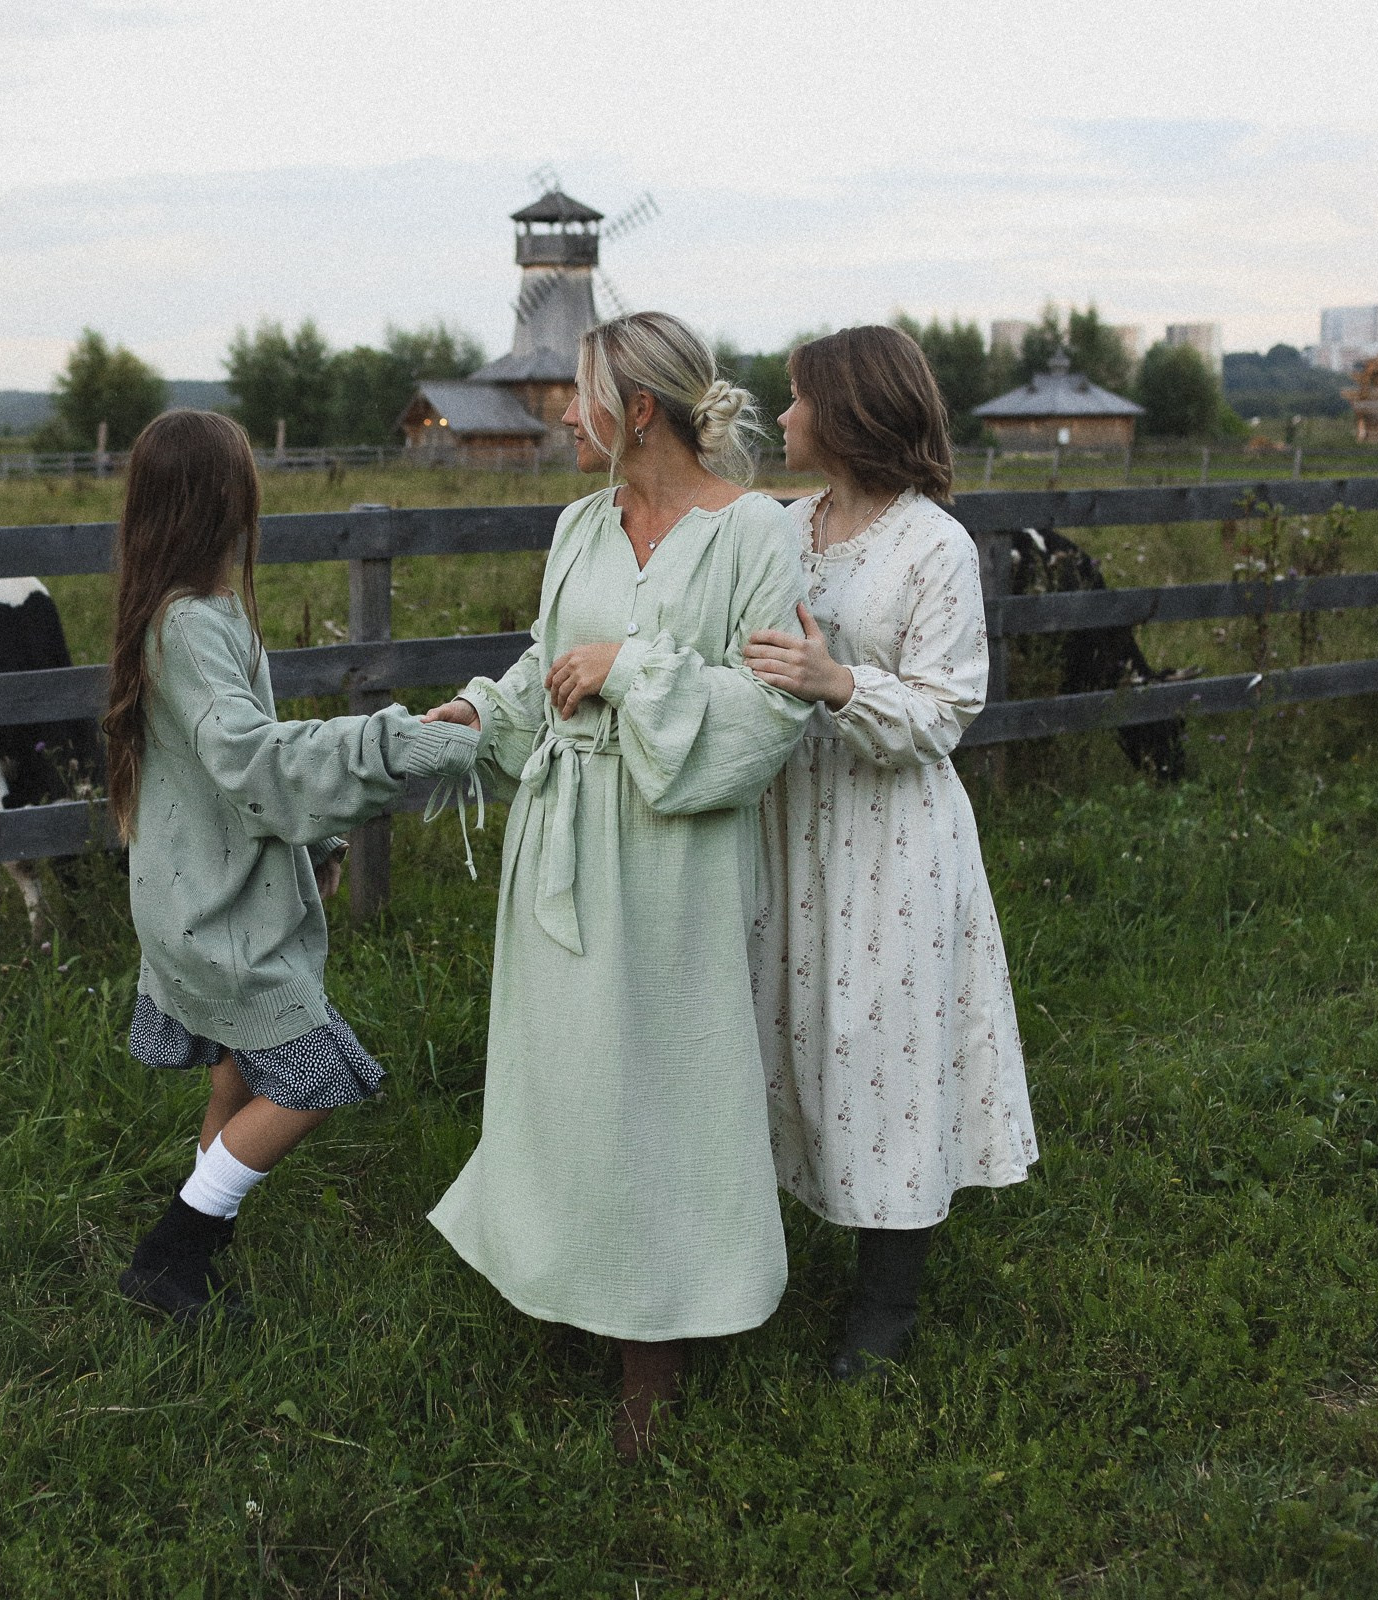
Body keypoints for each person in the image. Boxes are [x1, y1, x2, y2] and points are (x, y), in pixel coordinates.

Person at [420, 312, 814, 1456]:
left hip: (674, 855)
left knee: (662, 1084)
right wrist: (479, 711)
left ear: (636, 410)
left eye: (580, 391)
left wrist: (632, 669)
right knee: (571, 1080)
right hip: (567, 833)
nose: (563, 411)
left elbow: (774, 707)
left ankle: (657, 1344)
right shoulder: (578, 526)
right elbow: (548, 661)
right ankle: (571, 1280)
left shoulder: (752, 535)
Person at [107, 409, 485, 1321]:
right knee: (314, 1081)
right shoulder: (191, 626)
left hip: (208, 893)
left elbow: (236, 773)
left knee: (241, 1074)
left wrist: (317, 844)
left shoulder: (204, 612)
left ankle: (200, 1254)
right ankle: (172, 1253)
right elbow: (255, 762)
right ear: (222, 501)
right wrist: (393, 745)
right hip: (214, 913)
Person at [741, 326, 1040, 1379]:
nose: (781, 419)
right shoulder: (779, 528)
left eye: (795, 399)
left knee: (884, 1045)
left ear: (851, 412)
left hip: (892, 839)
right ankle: (762, 1257)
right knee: (790, 1025)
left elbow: (949, 708)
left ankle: (885, 1308)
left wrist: (836, 684)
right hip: (789, 821)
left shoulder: (932, 547)